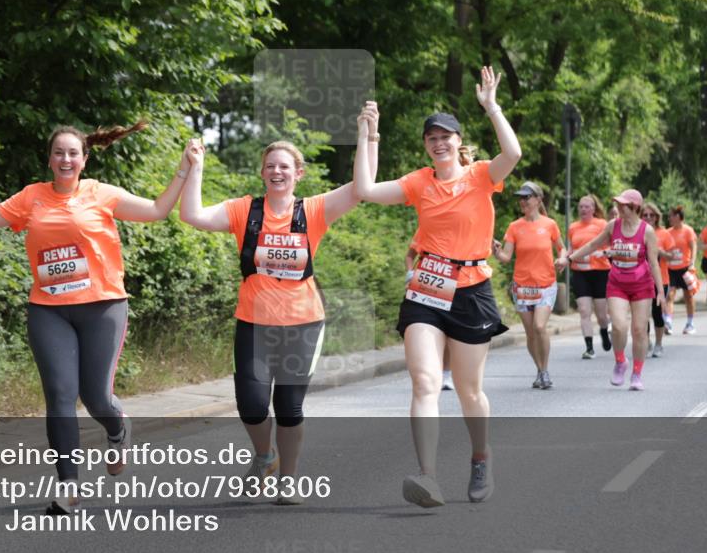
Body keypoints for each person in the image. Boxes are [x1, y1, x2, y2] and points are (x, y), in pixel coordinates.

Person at [0, 121, 190, 514]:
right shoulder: (32, 197)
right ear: (50, 159)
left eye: (72, 153)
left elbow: (157, 210)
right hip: (49, 311)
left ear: (84, 159)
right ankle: (68, 485)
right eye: (59, 152)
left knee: (96, 396)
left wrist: (184, 168)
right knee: (60, 397)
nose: (66, 159)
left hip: (103, 307)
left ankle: (117, 429)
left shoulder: (102, 194)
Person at [179, 126, 377, 506]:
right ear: (262, 172)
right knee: (251, 405)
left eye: (284, 166)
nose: (277, 172)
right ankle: (264, 455)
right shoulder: (244, 210)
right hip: (254, 323)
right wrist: (195, 166)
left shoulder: (314, 210)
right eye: (270, 166)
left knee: (289, 407)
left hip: (302, 324)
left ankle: (288, 478)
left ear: (298, 173)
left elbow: (359, 188)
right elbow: (192, 215)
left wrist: (368, 136)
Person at [353, 66, 521, 508]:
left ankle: (480, 456)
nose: (439, 142)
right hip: (427, 286)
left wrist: (492, 107)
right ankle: (427, 476)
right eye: (432, 138)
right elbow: (365, 189)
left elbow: (514, 153)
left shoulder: (482, 175)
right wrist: (369, 136)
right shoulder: (417, 182)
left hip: (472, 287)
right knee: (425, 381)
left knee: (468, 390)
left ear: (457, 141)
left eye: (446, 136)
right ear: (426, 145)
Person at [569, 189, 665, 391]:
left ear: (634, 207)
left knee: (639, 330)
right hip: (617, 283)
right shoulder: (613, 226)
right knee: (619, 327)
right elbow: (593, 244)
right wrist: (569, 258)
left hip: (641, 285)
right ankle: (621, 361)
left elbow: (654, 263)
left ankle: (637, 374)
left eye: (623, 204)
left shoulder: (647, 231)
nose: (619, 207)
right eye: (619, 204)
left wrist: (661, 292)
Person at [492, 182, 567, 389]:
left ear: (538, 200)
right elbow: (506, 257)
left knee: (539, 326)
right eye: (521, 197)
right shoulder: (514, 227)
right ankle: (540, 370)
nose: (523, 201)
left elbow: (562, 249)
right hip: (522, 286)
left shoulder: (549, 224)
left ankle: (544, 371)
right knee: (531, 334)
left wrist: (562, 259)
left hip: (545, 284)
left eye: (527, 197)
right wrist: (496, 250)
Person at [567, 194, 612, 359]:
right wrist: (565, 258)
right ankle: (589, 347)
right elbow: (571, 249)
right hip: (580, 273)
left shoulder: (602, 224)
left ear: (593, 209)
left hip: (600, 272)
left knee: (601, 314)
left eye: (587, 206)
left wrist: (603, 253)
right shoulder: (573, 227)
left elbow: (611, 244)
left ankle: (604, 331)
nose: (583, 209)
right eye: (581, 206)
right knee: (584, 310)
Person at [406, 239, 453, 390]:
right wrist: (410, 272)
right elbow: (409, 255)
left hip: (454, 282)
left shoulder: (461, 229)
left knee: (448, 332)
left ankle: (446, 373)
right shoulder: (426, 228)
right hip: (425, 283)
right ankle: (430, 372)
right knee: (425, 328)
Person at [641, 202, 674, 358]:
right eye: (645, 215)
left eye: (651, 215)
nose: (648, 218)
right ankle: (647, 342)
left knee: (656, 312)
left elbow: (672, 256)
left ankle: (659, 344)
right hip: (640, 279)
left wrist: (659, 251)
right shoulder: (637, 232)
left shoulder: (664, 233)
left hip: (660, 279)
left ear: (657, 217)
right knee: (642, 314)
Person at [665, 206, 698, 334]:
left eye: (671, 216)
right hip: (671, 268)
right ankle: (668, 322)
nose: (669, 219)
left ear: (678, 217)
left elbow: (693, 247)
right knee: (670, 295)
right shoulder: (668, 232)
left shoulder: (688, 231)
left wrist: (692, 263)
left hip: (685, 268)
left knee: (688, 296)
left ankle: (690, 323)